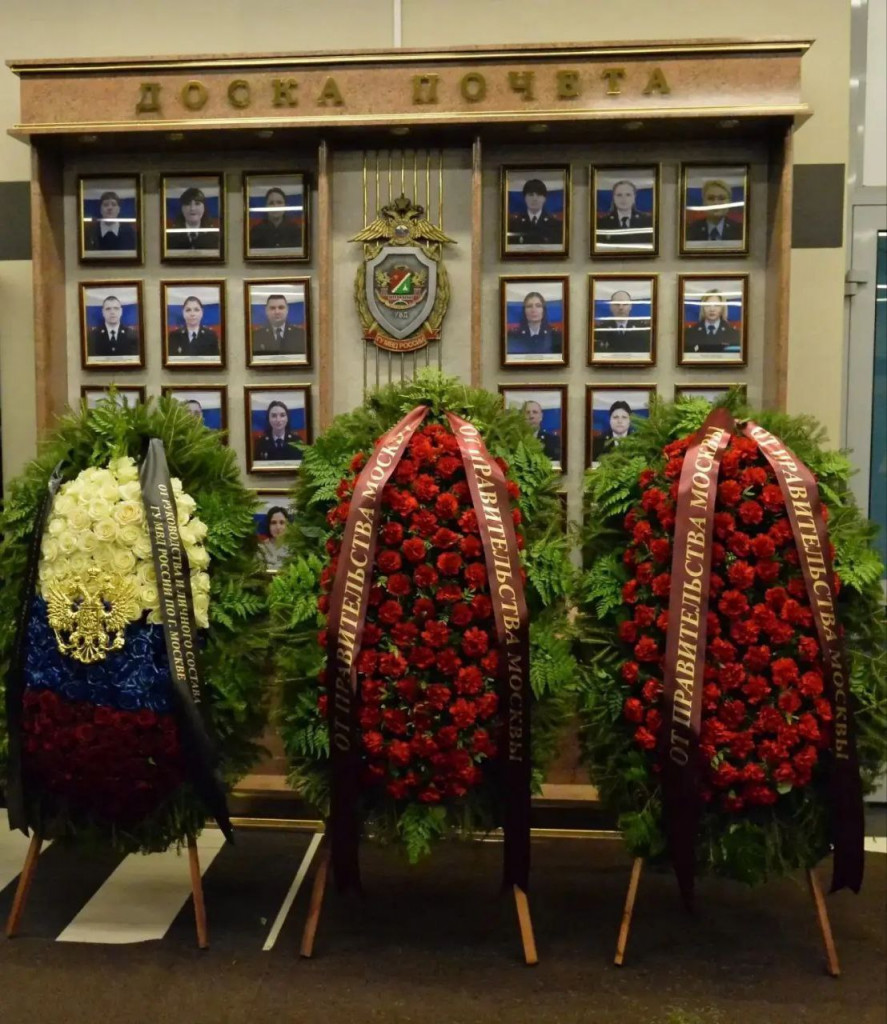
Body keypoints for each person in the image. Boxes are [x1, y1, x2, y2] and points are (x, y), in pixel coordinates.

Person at [592, 290, 652, 356]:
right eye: (617, 304)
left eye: (625, 304)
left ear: (630, 307)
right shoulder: (600, 330)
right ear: (611, 307)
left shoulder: (643, 329)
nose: (621, 308)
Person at [596, 179, 653, 248]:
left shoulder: (647, 221)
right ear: (613, 198)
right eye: (619, 195)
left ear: (634, 197)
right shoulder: (601, 223)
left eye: (628, 195)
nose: (624, 199)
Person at [507, 178, 562, 247]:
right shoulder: (513, 225)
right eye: (531, 195)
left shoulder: (556, 225)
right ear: (524, 198)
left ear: (545, 199)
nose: (534, 199)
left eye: (538, 195)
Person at [506, 291, 563, 360]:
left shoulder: (556, 336)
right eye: (529, 306)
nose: (533, 310)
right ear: (524, 311)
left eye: (538, 306)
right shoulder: (512, 335)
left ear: (543, 310)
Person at [685, 178, 744, 243]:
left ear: (729, 202)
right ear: (703, 202)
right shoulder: (689, 231)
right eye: (711, 198)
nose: (716, 203)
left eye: (721, 198)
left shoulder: (740, 231)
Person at [251, 294, 307, 360]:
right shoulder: (256, 336)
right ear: (266, 311)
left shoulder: (301, 335)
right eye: (272, 308)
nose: (277, 312)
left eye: (281, 307)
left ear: (287, 310)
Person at [166, 186, 220, 252]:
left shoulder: (215, 238)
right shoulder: (169, 238)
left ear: (204, 208)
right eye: (188, 204)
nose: (192, 208)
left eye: (197, 204)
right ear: (182, 208)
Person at [249, 187, 303, 251]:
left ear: (285, 206)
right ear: (266, 206)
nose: (275, 206)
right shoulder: (255, 232)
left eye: (279, 202)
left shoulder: (296, 231)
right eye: (271, 203)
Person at [167, 296, 221, 360]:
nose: (192, 314)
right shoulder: (174, 336)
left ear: (202, 312)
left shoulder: (211, 336)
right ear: (183, 313)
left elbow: (215, 361)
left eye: (196, 310)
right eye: (188, 310)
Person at [259, 506, 291, 571]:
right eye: (273, 523)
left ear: (287, 525)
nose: (278, 527)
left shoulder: (295, 547)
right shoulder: (261, 548)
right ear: (268, 525)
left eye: (282, 522)